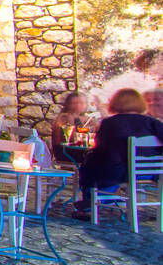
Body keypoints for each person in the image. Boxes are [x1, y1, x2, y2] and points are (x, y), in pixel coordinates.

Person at [73, 88, 163, 219]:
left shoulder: (109, 123)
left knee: (89, 165)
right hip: (150, 171)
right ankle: (106, 197)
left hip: (117, 171)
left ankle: (91, 204)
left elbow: (101, 148)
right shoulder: (152, 122)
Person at [51, 91, 95, 163]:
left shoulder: (88, 119)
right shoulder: (63, 118)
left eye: (82, 103)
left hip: (83, 151)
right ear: (68, 104)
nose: (78, 106)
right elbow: (73, 138)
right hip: (67, 152)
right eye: (74, 103)